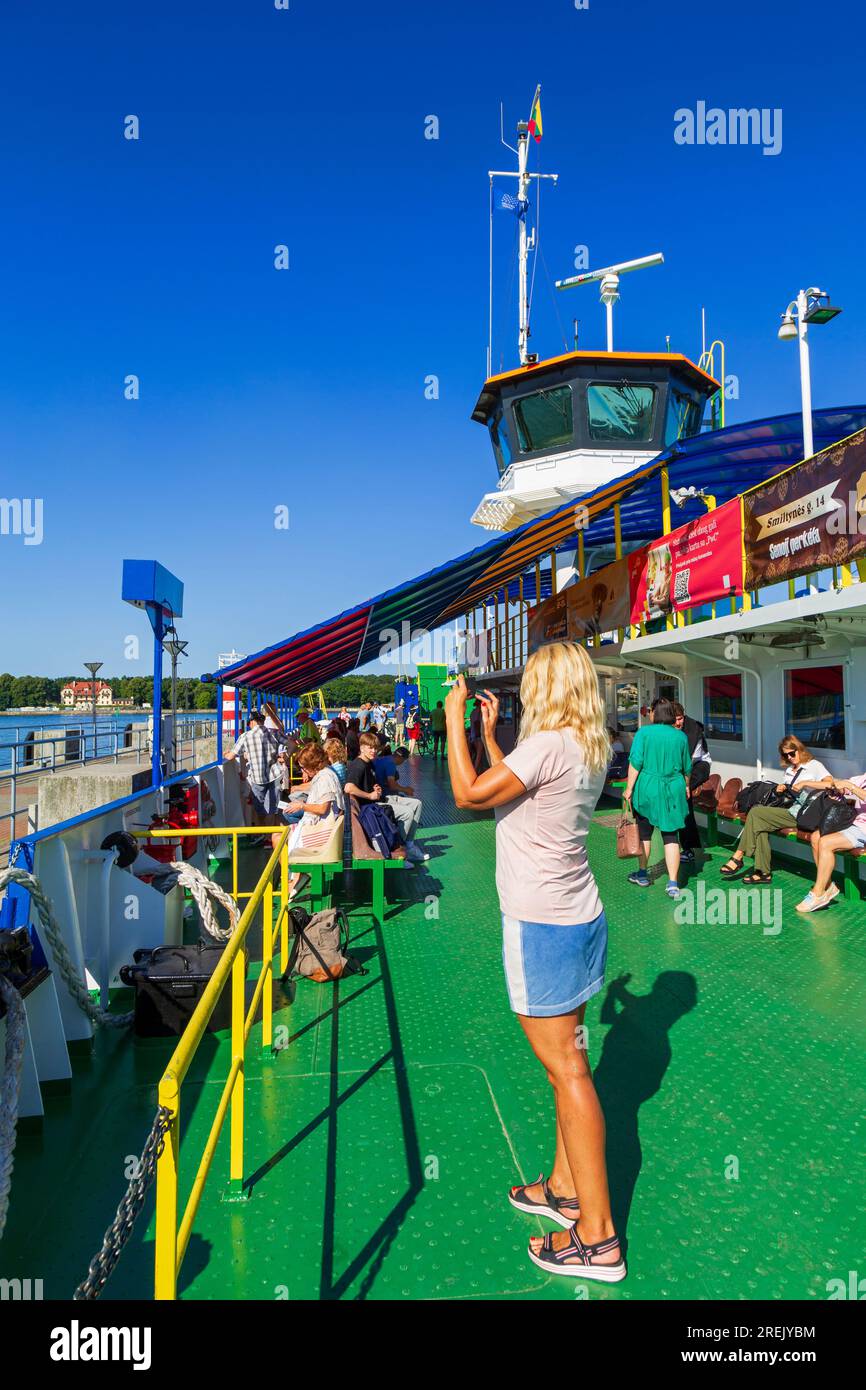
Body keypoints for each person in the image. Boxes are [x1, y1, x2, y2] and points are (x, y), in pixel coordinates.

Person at [445, 643, 625, 1283]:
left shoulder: (548, 744)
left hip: (540, 926)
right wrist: (491, 736)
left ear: (546, 687)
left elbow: (468, 795)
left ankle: (598, 1238)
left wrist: (451, 716)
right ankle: (563, 1188)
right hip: (580, 918)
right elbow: (517, 793)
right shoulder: (586, 746)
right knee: (566, 1064)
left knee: (569, 1069)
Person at [719, 736, 831, 885]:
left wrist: (806, 783)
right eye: (786, 755)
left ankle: (739, 856)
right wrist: (779, 790)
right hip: (789, 810)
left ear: (800, 750)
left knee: (757, 814)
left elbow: (830, 784)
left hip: (805, 814)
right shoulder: (790, 771)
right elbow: (787, 796)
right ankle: (762, 873)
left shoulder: (814, 765)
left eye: (792, 753)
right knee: (759, 823)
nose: (790, 758)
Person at [623, 698, 691, 899]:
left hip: (648, 788)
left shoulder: (644, 733)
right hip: (673, 788)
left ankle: (643, 874)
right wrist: (686, 785)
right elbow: (687, 767)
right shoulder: (680, 737)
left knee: (645, 833)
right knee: (671, 837)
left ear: (654, 713)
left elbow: (636, 763)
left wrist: (629, 788)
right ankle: (672, 883)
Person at [273, 744, 344, 898]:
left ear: (313, 765)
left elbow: (323, 809)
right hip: (326, 827)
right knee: (280, 834)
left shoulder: (324, 777)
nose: (303, 771)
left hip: (324, 832)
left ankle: (294, 877)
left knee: (277, 839)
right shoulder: (326, 774)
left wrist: (301, 806)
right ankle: (298, 875)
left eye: (305, 768)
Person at [797, 772, 866, 912]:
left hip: (863, 829)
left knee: (826, 843)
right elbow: (841, 784)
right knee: (816, 837)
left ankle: (818, 892)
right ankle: (827, 887)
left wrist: (849, 786)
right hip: (853, 823)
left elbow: (850, 786)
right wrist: (837, 789)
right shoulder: (863, 778)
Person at [373, 743, 429, 864]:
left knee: (417, 804)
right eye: (403, 761)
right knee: (408, 812)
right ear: (401, 758)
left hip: (386, 795)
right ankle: (398, 848)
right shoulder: (391, 764)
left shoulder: (383, 759)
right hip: (385, 797)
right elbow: (392, 784)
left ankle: (409, 844)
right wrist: (406, 790)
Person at [225, 709, 280, 825]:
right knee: (271, 809)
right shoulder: (274, 733)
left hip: (258, 778)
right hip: (274, 775)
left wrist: (224, 753)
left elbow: (230, 757)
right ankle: (269, 837)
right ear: (263, 721)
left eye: (249, 723)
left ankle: (261, 834)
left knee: (259, 809)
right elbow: (292, 745)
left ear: (252, 722)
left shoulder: (245, 736)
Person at [672, 701, 711, 862]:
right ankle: (680, 844)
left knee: (683, 798)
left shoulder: (693, 729)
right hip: (681, 769)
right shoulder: (668, 728)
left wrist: (685, 784)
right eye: (674, 720)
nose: (678, 723)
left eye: (680, 718)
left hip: (698, 766)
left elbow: (689, 759)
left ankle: (688, 848)